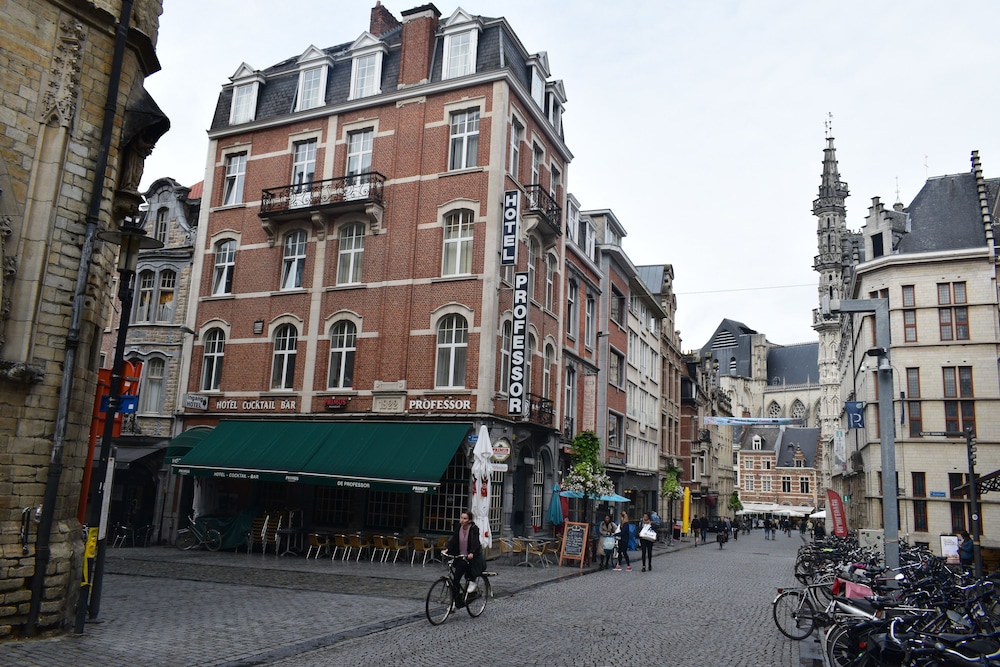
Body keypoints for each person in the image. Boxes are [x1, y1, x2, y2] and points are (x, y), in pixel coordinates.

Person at [443, 510, 483, 597]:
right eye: (461, 518)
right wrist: (447, 549)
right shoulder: (458, 527)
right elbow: (454, 540)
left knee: (467, 575)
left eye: (465, 518)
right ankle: (455, 600)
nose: (462, 520)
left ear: (469, 520)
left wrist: (472, 553)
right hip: (460, 556)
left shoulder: (473, 529)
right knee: (456, 580)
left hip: (469, 557)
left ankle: (471, 584)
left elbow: (475, 542)